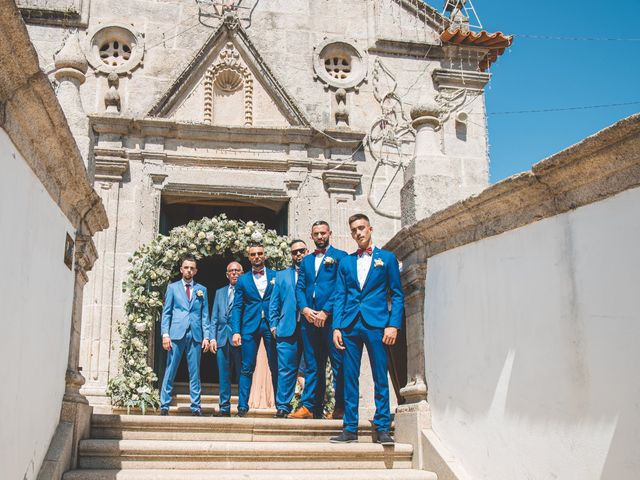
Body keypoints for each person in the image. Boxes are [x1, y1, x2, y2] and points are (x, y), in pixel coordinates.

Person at [330, 213, 404, 445]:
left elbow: (398, 295)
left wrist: (393, 325)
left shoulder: (388, 259)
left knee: (380, 376)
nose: (358, 233)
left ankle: (382, 427)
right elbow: (339, 296)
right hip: (350, 325)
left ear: (370, 229)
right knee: (349, 377)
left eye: (361, 228)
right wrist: (336, 327)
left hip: (377, 324)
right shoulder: (346, 262)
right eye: (353, 230)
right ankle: (350, 429)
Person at [291, 221, 348, 419]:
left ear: (329, 233)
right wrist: (305, 309)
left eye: (323, 233)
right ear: (312, 236)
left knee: (338, 363)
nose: (320, 236)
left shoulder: (341, 257)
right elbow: (300, 288)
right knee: (312, 364)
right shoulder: (306, 261)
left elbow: (342, 288)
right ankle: (310, 407)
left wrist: (326, 311)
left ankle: (340, 406)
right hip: (309, 320)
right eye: (316, 234)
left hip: (331, 320)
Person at [159, 255, 211, 416]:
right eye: (186, 267)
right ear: (181, 269)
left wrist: (207, 336)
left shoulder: (202, 290)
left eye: (192, 268)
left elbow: (205, 316)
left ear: (195, 271)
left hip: (195, 335)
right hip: (176, 334)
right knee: (170, 369)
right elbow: (166, 313)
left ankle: (196, 406)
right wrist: (165, 335)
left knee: (195, 372)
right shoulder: (172, 288)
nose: (189, 270)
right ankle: (164, 405)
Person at [230, 243, 278, 417]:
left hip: (271, 326)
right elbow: (237, 306)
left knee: (275, 365)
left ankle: (281, 407)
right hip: (249, 327)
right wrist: (236, 331)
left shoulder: (275, 276)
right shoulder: (242, 280)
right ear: (248, 257)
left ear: (264, 255)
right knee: (246, 367)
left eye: (260, 253)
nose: (257, 256)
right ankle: (242, 407)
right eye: (253, 254)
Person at [269, 239, 308, 418]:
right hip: (286, 328)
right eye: (294, 252)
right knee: (285, 368)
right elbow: (274, 302)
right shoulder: (282, 275)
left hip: (310, 327)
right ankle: (283, 406)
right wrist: (274, 325)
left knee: (310, 368)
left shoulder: (314, 273)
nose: (298, 254)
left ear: (307, 251)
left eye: (301, 251)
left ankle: (310, 406)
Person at [209, 261, 243, 417]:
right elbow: (214, 317)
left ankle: (242, 407)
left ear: (242, 274)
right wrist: (212, 338)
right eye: (231, 271)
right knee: (224, 375)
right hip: (222, 339)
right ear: (227, 274)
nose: (234, 273)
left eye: (237, 270)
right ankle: (224, 407)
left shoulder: (246, 291)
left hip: (239, 339)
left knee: (242, 374)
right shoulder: (219, 292)